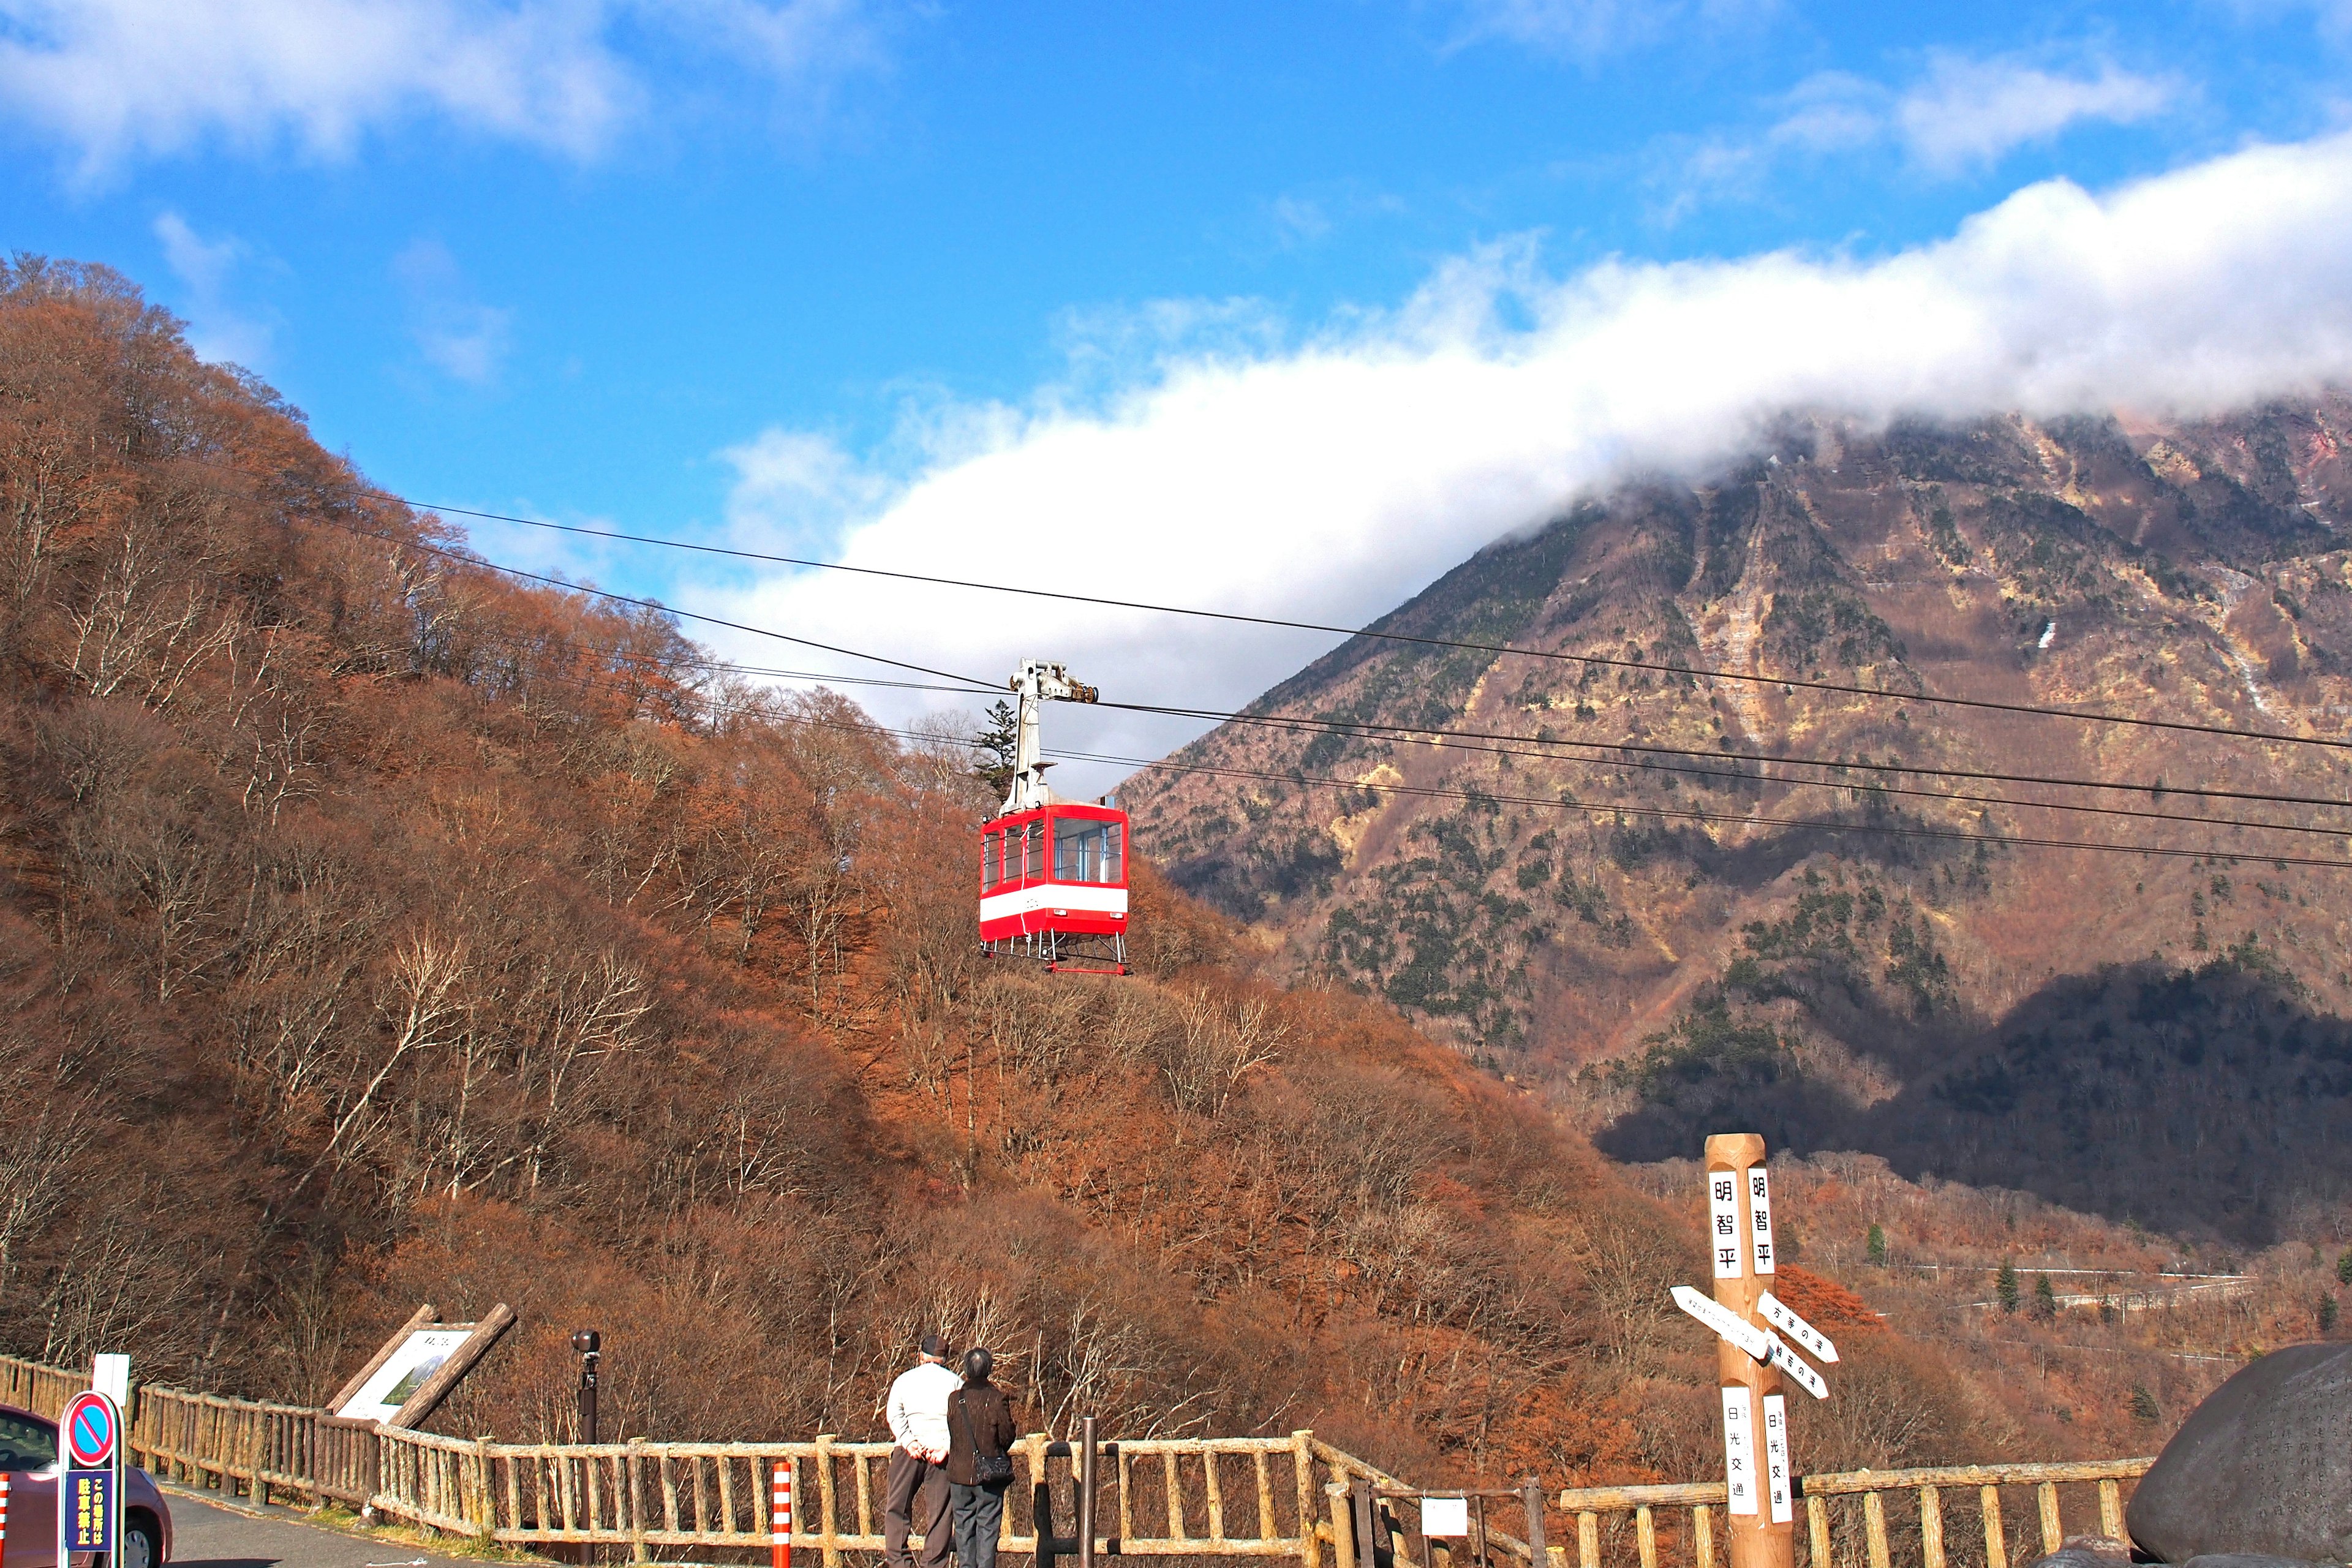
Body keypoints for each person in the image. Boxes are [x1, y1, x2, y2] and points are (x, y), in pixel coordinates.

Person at [884, 1333, 960, 1568]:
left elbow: (894, 1414)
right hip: (942, 1454)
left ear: (920, 1355)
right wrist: (946, 1446)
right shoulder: (956, 1382)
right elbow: (960, 1420)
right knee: (940, 1514)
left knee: (897, 1507)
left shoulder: (904, 1380)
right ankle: (934, 1564)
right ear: (944, 1359)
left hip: (909, 1452)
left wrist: (909, 1442)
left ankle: (899, 1562)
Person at [944, 1346, 1018, 1568]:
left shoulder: (955, 1399)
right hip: (989, 1474)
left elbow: (952, 1431)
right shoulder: (997, 1398)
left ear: (966, 1369)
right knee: (987, 1529)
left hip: (959, 1473)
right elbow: (1007, 1436)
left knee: (964, 1529)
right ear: (989, 1369)